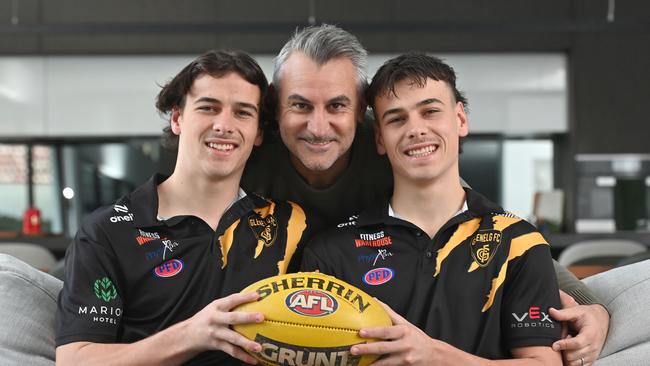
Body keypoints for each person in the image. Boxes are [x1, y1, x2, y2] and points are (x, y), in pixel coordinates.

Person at [242, 24, 609, 364]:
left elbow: (494, 232)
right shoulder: (245, 155)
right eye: (300, 105)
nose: (318, 126)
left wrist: (595, 307)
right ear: (275, 104)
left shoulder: (398, 146)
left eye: (337, 105)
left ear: (360, 113)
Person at [301, 52, 562, 364]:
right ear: (380, 139)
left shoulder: (519, 243)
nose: (416, 129)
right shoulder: (331, 253)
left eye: (430, 112)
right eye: (397, 119)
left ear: (460, 120)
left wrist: (433, 355)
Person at [55, 50, 309, 365]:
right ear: (177, 118)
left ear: (258, 133)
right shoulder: (108, 232)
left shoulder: (289, 222)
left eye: (242, 113)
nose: (223, 125)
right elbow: (75, 360)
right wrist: (191, 334)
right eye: (208, 108)